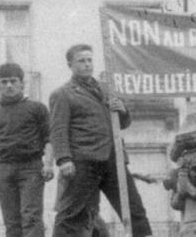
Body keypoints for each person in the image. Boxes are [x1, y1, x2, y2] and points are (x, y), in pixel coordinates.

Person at [50, 44, 152, 237]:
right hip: (83, 161)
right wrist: (64, 159)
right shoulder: (62, 94)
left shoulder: (106, 89)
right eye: (81, 61)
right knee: (73, 213)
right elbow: (58, 129)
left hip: (114, 159)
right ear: (70, 64)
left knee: (133, 208)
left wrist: (122, 110)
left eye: (89, 60)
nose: (87, 65)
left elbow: (122, 123)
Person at [0, 63, 55, 237]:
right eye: (4, 82)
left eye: (13, 81)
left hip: (30, 168)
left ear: (22, 83)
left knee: (31, 217)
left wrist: (49, 164)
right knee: (11, 222)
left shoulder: (37, 108)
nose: (9, 85)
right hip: (3, 170)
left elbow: (50, 138)